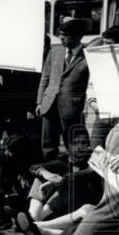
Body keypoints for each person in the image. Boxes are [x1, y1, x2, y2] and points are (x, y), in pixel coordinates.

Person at [37, 18, 90, 159]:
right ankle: (49, 173)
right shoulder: (55, 52)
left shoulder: (88, 56)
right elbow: (45, 78)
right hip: (49, 105)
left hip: (72, 108)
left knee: (74, 145)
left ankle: (74, 174)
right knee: (48, 146)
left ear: (77, 36)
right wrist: (39, 102)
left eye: (65, 36)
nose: (61, 38)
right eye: (60, 35)